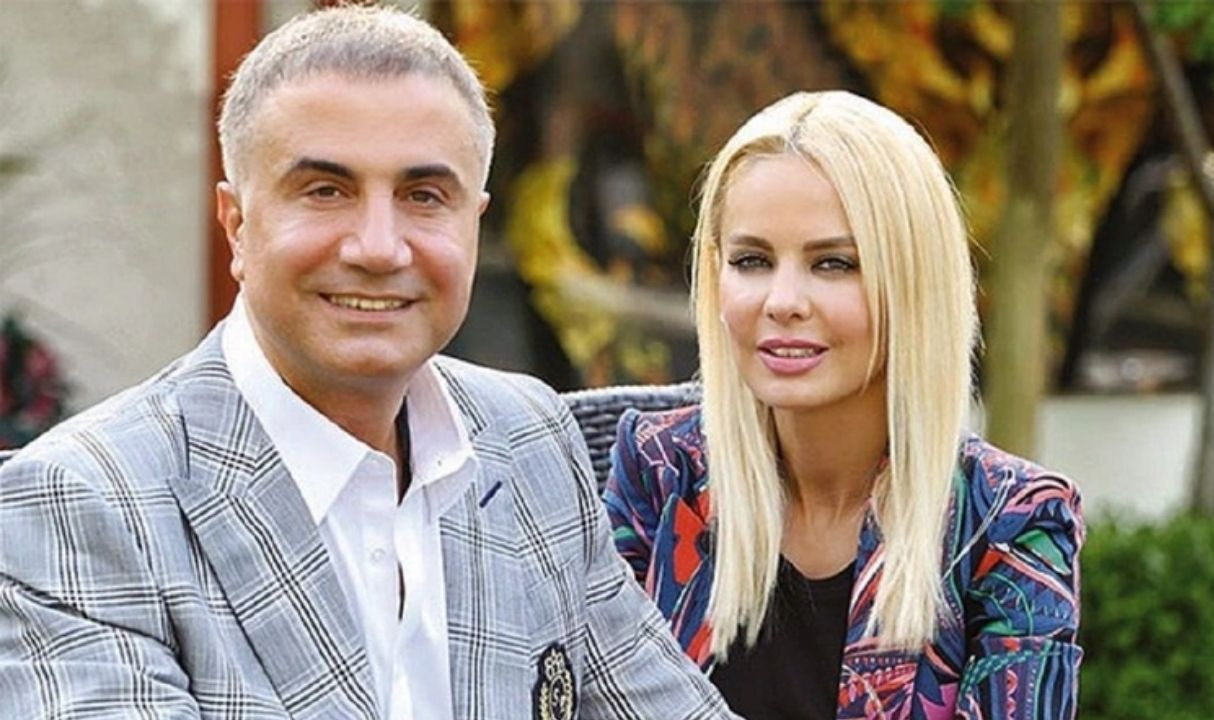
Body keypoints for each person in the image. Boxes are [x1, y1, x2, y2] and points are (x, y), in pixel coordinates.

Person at [0, 7, 736, 719]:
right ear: (237, 225)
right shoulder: (83, 506)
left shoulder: (529, 440)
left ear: (473, 225)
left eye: (424, 195)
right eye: (326, 191)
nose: (379, 248)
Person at [604, 91, 1084, 719]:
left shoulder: (1011, 523)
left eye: (834, 263)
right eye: (752, 261)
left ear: (913, 283)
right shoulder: (662, 474)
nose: (783, 301)